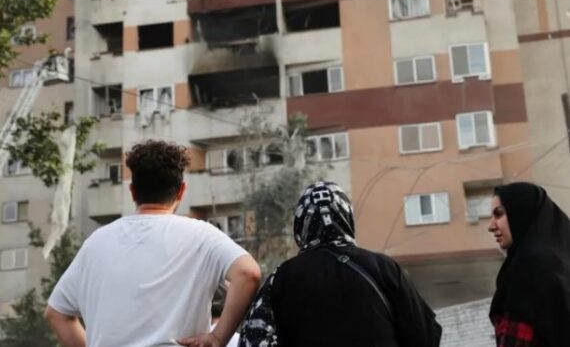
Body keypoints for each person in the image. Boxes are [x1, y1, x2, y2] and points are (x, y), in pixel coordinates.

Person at [45, 140, 261, 347]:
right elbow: (248, 273)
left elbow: (57, 313)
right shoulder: (201, 236)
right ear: (181, 190)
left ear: (133, 191)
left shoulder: (96, 242)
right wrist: (218, 338)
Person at [238, 181, 442, 347]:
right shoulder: (384, 268)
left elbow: (253, 338)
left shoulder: (280, 279)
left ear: (300, 226)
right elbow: (426, 336)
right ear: (347, 218)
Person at [488, 182, 570, 346]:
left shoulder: (529, 270)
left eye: (499, 214)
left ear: (521, 213)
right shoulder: (559, 266)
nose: (491, 226)